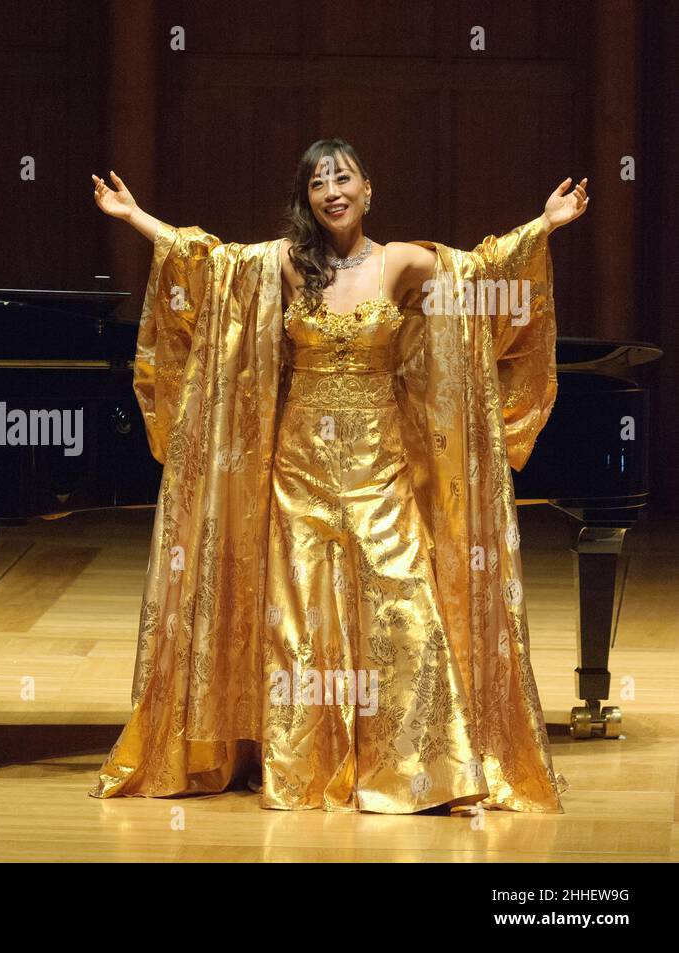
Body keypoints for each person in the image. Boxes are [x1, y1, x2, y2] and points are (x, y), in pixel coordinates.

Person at [88, 138, 589, 813]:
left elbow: (481, 276)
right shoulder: (287, 267)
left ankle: (423, 768)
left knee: (406, 600)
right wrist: (136, 216)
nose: (333, 191)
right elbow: (212, 266)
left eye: (343, 178)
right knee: (300, 621)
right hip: (301, 470)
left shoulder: (400, 261)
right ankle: (304, 767)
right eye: (319, 182)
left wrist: (544, 225)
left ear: (367, 189)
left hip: (381, 470)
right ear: (308, 197)